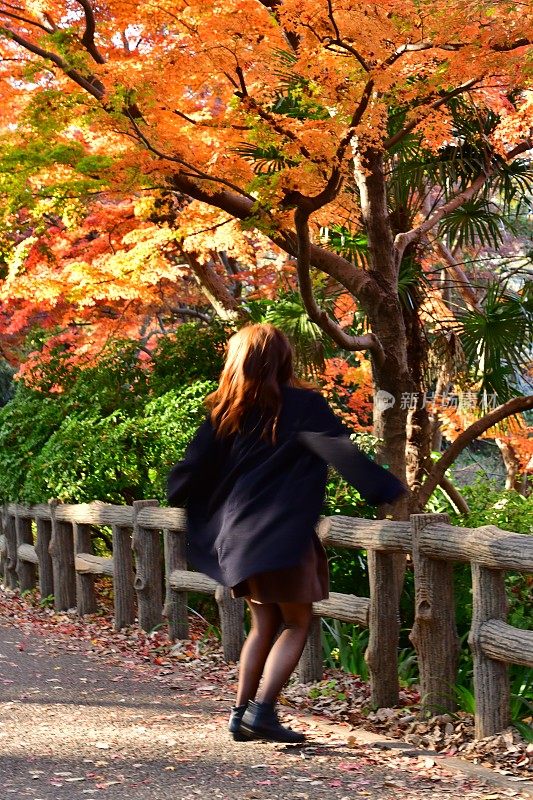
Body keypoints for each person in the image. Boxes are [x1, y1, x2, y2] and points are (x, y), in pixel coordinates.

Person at [167, 323, 406, 744]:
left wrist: (200, 508)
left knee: (264, 624)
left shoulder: (226, 414)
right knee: (297, 622)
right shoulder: (303, 407)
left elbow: (187, 476)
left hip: (238, 539)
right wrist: (388, 490)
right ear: (283, 360)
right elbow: (343, 457)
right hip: (282, 536)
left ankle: (240, 713)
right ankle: (263, 713)